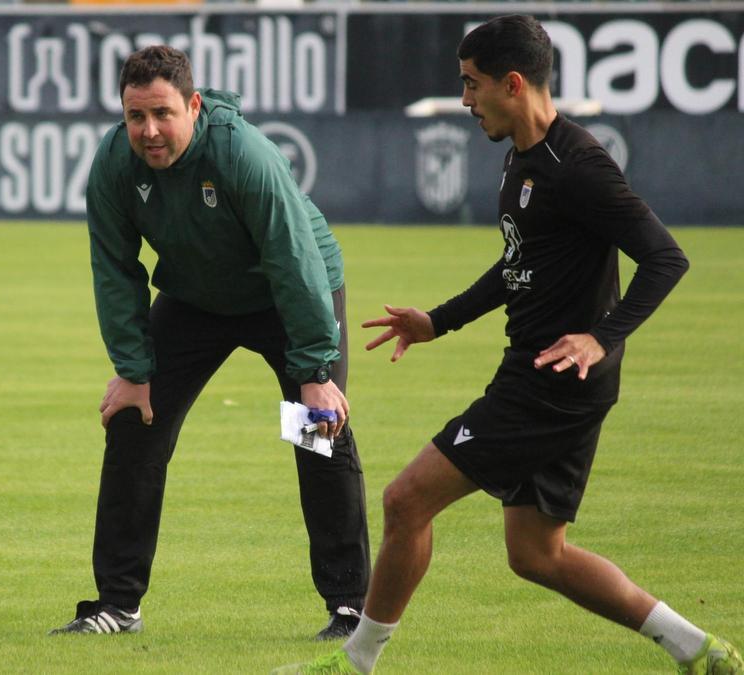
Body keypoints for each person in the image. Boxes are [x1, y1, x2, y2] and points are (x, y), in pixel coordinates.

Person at [275, 14, 742, 675]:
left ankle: (357, 661)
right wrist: (438, 320)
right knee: (536, 554)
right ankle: (699, 648)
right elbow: (518, 262)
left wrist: (599, 339)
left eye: (471, 85)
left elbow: (666, 258)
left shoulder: (578, 166)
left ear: (512, 83)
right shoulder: (521, 157)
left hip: (549, 384)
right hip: (541, 374)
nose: (464, 100)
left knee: (406, 499)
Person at [48, 45, 370, 640]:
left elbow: (293, 261)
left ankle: (351, 607)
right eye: (135, 116)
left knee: (314, 433)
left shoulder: (241, 153)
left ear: (193, 105)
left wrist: (316, 370)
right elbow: (115, 270)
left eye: (163, 114)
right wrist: (133, 369)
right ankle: (118, 604)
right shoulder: (115, 165)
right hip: (198, 298)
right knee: (134, 419)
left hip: (288, 295)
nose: (149, 131)